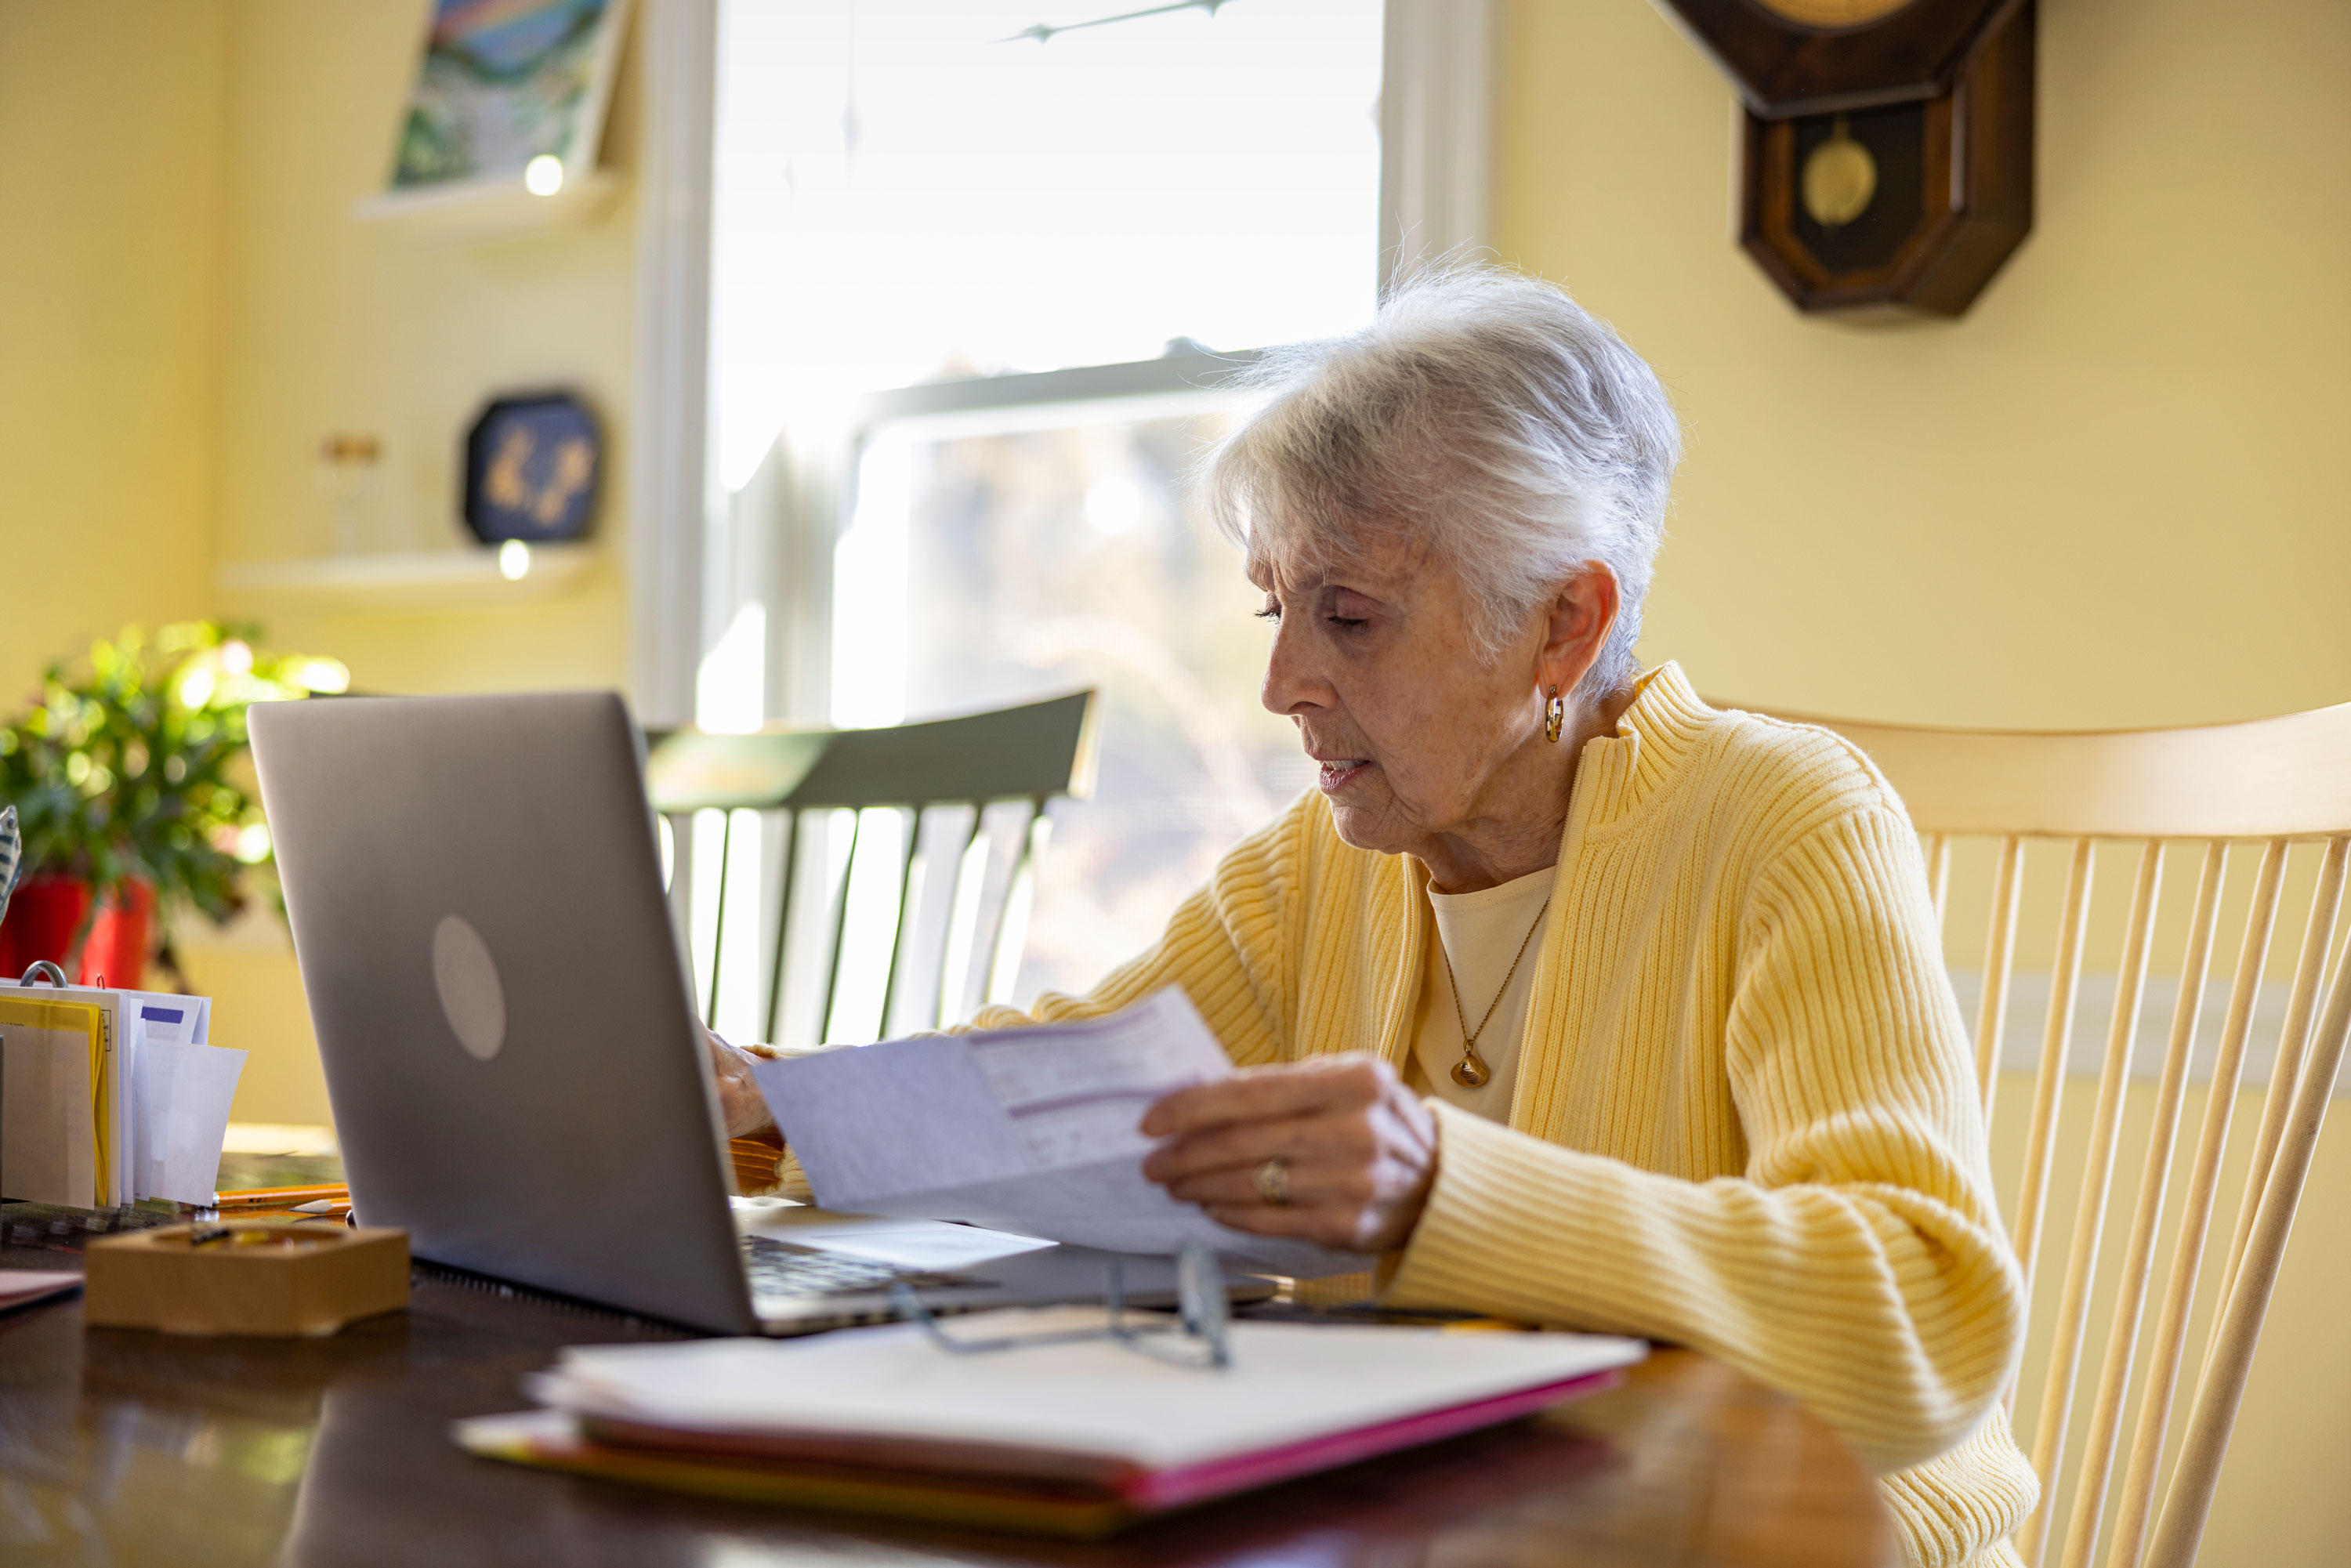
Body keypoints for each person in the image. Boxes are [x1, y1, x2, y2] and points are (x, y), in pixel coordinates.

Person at [713, 265, 2037, 1568]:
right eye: (1277, 609)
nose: (1285, 680)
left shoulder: (1787, 821)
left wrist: (1440, 1185)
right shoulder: (1317, 871)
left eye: (1351, 616)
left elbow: (1923, 1305)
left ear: (1564, 626)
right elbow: (1060, 1083)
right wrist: (779, 1104)